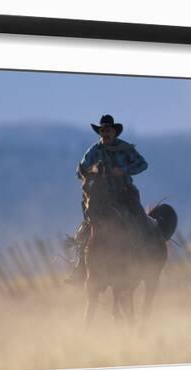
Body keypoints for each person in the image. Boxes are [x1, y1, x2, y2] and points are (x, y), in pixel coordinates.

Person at [65, 114, 149, 285]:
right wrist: (91, 174)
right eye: (102, 130)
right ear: (100, 132)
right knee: (87, 227)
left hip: (125, 192)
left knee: (140, 219)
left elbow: (143, 164)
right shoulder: (94, 150)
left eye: (108, 130)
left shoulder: (125, 149)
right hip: (103, 196)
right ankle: (80, 267)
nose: (105, 133)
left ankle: (147, 258)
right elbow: (78, 172)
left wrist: (124, 170)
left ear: (114, 132)